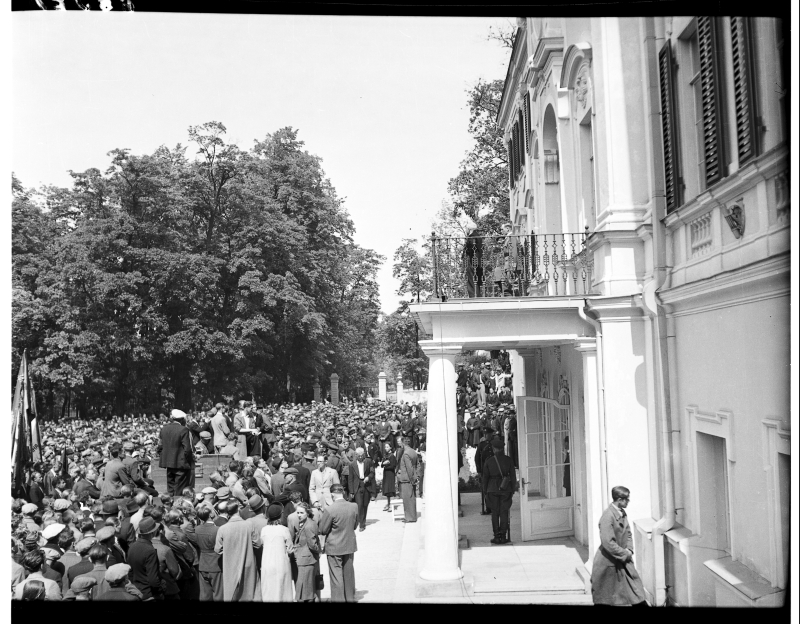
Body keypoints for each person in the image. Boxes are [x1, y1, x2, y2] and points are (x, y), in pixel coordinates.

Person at [590, 486, 648, 606]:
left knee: (637, 593)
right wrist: (624, 553)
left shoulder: (622, 513)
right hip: (608, 563)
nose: (628, 501)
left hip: (623, 560)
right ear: (620, 499)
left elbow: (628, 534)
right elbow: (608, 542)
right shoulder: (607, 516)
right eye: (627, 499)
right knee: (605, 599)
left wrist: (630, 550)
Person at [317, 484, 358, 603]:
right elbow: (355, 526)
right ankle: (350, 598)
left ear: (332, 494)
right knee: (348, 574)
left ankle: (338, 599)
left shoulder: (330, 509)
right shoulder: (354, 506)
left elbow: (323, 530)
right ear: (343, 493)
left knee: (336, 576)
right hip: (349, 544)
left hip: (334, 546)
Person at [214, 500, 261, 601]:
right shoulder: (249, 525)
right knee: (248, 594)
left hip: (230, 565)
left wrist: (228, 550)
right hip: (248, 564)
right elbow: (258, 544)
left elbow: (218, 549)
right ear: (238, 509)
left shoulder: (222, 529)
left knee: (231, 595)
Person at [481, 437, 515, 544]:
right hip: (505, 489)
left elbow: (485, 477)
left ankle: (496, 536)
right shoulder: (508, 460)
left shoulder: (489, 461)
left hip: (492, 489)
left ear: (494, 449)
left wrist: (485, 490)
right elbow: (513, 477)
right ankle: (504, 536)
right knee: (504, 512)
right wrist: (512, 489)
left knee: (495, 513)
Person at [258, 503, 294, 602]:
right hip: (281, 564)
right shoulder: (284, 530)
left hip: (267, 564)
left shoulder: (264, 530)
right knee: (282, 591)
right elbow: (290, 549)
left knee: (269, 591)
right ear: (280, 515)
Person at [157, 409, 195, 496]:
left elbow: (159, 447)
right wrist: (189, 461)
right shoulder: (184, 430)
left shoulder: (164, 429)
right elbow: (188, 449)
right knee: (180, 490)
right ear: (182, 419)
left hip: (169, 465)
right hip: (181, 465)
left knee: (170, 489)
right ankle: (177, 507)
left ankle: (169, 506)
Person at [288, 502, 321, 602]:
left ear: (307, 512)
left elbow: (312, 544)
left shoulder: (308, 525)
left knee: (306, 590)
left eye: (301, 513)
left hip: (307, 560)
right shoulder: (307, 523)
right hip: (305, 559)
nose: (299, 515)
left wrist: (318, 551)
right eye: (297, 513)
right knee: (306, 588)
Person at [126, 517, 164, 600]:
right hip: (149, 594)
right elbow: (153, 579)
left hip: (137, 591)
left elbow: (131, 572)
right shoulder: (150, 550)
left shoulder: (132, 546)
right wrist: (160, 591)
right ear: (152, 533)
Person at [194, 506, 223, 602]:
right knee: (218, 594)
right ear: (210, 514)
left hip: (203, 564)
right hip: (215, 564)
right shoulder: (217, 529)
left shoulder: (197, 529)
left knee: (205, 595)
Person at [347, 447, 375, 532]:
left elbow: (372, 472)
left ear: (364, 455)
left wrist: (368, 478)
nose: (360, 457)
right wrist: (351, 491)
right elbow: (350, 479)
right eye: (358, 456)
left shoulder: (368, 462)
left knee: (365, 504)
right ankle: (361, 524)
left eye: (361, 456)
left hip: (366, 485)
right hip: (357, 486)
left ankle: (363, 520)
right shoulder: (352, 465)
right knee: (359, 505)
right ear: (356, 455)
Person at [396, 437, 420, 523]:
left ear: (403, 443)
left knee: (407, 499)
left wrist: (412, 479)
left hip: (407, 479)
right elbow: (417, 465)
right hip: (411, 477)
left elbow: (409, 468)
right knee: (412, 498)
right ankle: (412, 516)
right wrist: (416, 476)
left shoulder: (406, 454)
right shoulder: (413, 451)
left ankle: (410, 517)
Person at [380, 442, 397, 512]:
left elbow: (393, 466)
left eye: (387, 447)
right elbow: (382, 465)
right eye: (385, 447)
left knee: (390, 489)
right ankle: (388, 503)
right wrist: (384, 463)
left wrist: (386, 464)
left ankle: (391, 505)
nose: (386, 448)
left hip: (390, 474)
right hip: (386, 474)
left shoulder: (392, 456)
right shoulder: (385, 455)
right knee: (387, 489)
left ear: (390, 447)